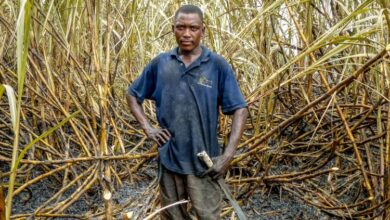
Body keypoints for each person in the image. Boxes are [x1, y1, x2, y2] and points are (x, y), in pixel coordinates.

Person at [126, 4, 248, 220]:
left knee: (208, 216)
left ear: (203, 30)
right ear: (173, 28)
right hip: (170, 159)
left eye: (193, 28)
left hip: (205, 163)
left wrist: (227, 155)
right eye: (181, 27)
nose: (186, 34)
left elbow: (240, 109)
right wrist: (149, 128)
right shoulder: (161, 64)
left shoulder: (217, 65)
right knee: (173, 216)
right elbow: (132, 95)